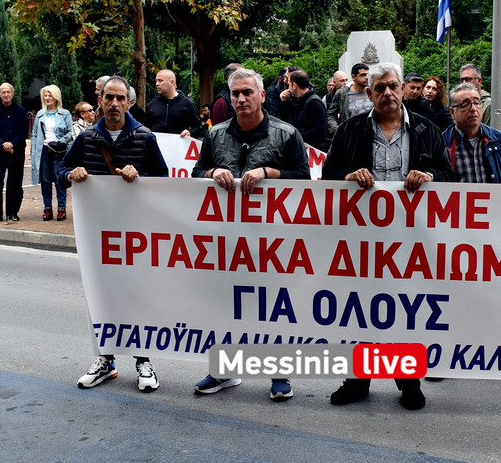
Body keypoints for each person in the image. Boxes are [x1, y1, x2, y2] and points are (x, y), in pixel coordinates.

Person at [323, 62, 456, 411]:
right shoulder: (350, 130)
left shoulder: (427, 130)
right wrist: (349, 175)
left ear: (401, 88)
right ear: (368, 94)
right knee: (360, 310)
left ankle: (408, 381)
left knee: (404, 309)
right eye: (379, 88)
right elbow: (329, 174)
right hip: (361, 242)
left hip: (410, 240)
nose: (387, 93)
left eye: (392, 86)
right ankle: (356, 381)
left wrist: (429, 176)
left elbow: (448, 176)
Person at [191, 67, 310, 401]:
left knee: (272, 307)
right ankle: (224, 371)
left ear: (261, 95)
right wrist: (213, 172)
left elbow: (304, 178)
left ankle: (279, 373)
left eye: (247, 92)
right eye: (235, 94)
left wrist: (269, 172)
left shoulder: (287, 134)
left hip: (273, 241)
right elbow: (196, 172)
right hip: (226, 240)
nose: (241, 99)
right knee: (225, 305)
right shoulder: (215, 136)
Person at [63, 77, 170, 392]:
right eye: (108, 97)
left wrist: (142, 177)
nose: (113, 103)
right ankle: (105, 361)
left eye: (119, 98)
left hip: (136, 235)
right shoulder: (86, 138)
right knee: (102, 297)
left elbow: (163, 180)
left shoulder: (144, 137)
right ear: (100, 101)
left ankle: (143, 362)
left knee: (136, 296)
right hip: (99, 233)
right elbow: (59, 170)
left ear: (129, 102)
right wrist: (71, 173)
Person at [443, 82, 501, 184]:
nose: (473, 109)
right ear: (452, 112)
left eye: (476, 103)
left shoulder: (500, 140)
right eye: (465, 104)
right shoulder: (442, 143)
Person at [0, 82, 29, 224]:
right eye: (3, 92)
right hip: (0, 152)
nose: (6, 95)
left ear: (12, 93)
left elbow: (24, 131)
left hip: (17, 152)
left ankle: (13, 212)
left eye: (8, 92)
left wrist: (12, 143)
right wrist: (3, 144)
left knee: (15, 183)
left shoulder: (21, 111)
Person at [31, 84, 73, 222]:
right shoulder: (39, 114)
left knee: (59, 180)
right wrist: (33, 150)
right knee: (45, 180)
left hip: (58, 151)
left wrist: (61, 141)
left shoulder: (64, 113)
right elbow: (35, 135)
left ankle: (62, 208)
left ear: (56, 97)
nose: (47, 98)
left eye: (50, 95)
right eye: (46, 95)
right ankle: (47, 208)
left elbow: (70, 132)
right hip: (43, 150)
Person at [146, 69, 204, 138]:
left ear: (172, 82)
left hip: (179, 147)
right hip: (156, 147)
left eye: (160, 80)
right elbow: (145, 127)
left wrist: (190, 133)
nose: (157, 84)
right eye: (156, 81)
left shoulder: (187, 104)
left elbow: (199, 128)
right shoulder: (152, 104)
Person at [280, 68, 328, 150]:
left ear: (294, 85)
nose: (288, 89)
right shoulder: (297, 100)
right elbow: (288, 120)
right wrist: (285, 102)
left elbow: (320, 130)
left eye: (289, 85)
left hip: (312, 150)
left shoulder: (314, 102)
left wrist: (296, 135)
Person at [327, 63, 371, 135]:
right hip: (350, 138)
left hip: (370, 137)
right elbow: (331, 114)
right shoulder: (343, 94)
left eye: (367, 75)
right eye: (363, 75)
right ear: (354, 77)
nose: (366, 77)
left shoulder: (373, 92)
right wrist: (337, 131)